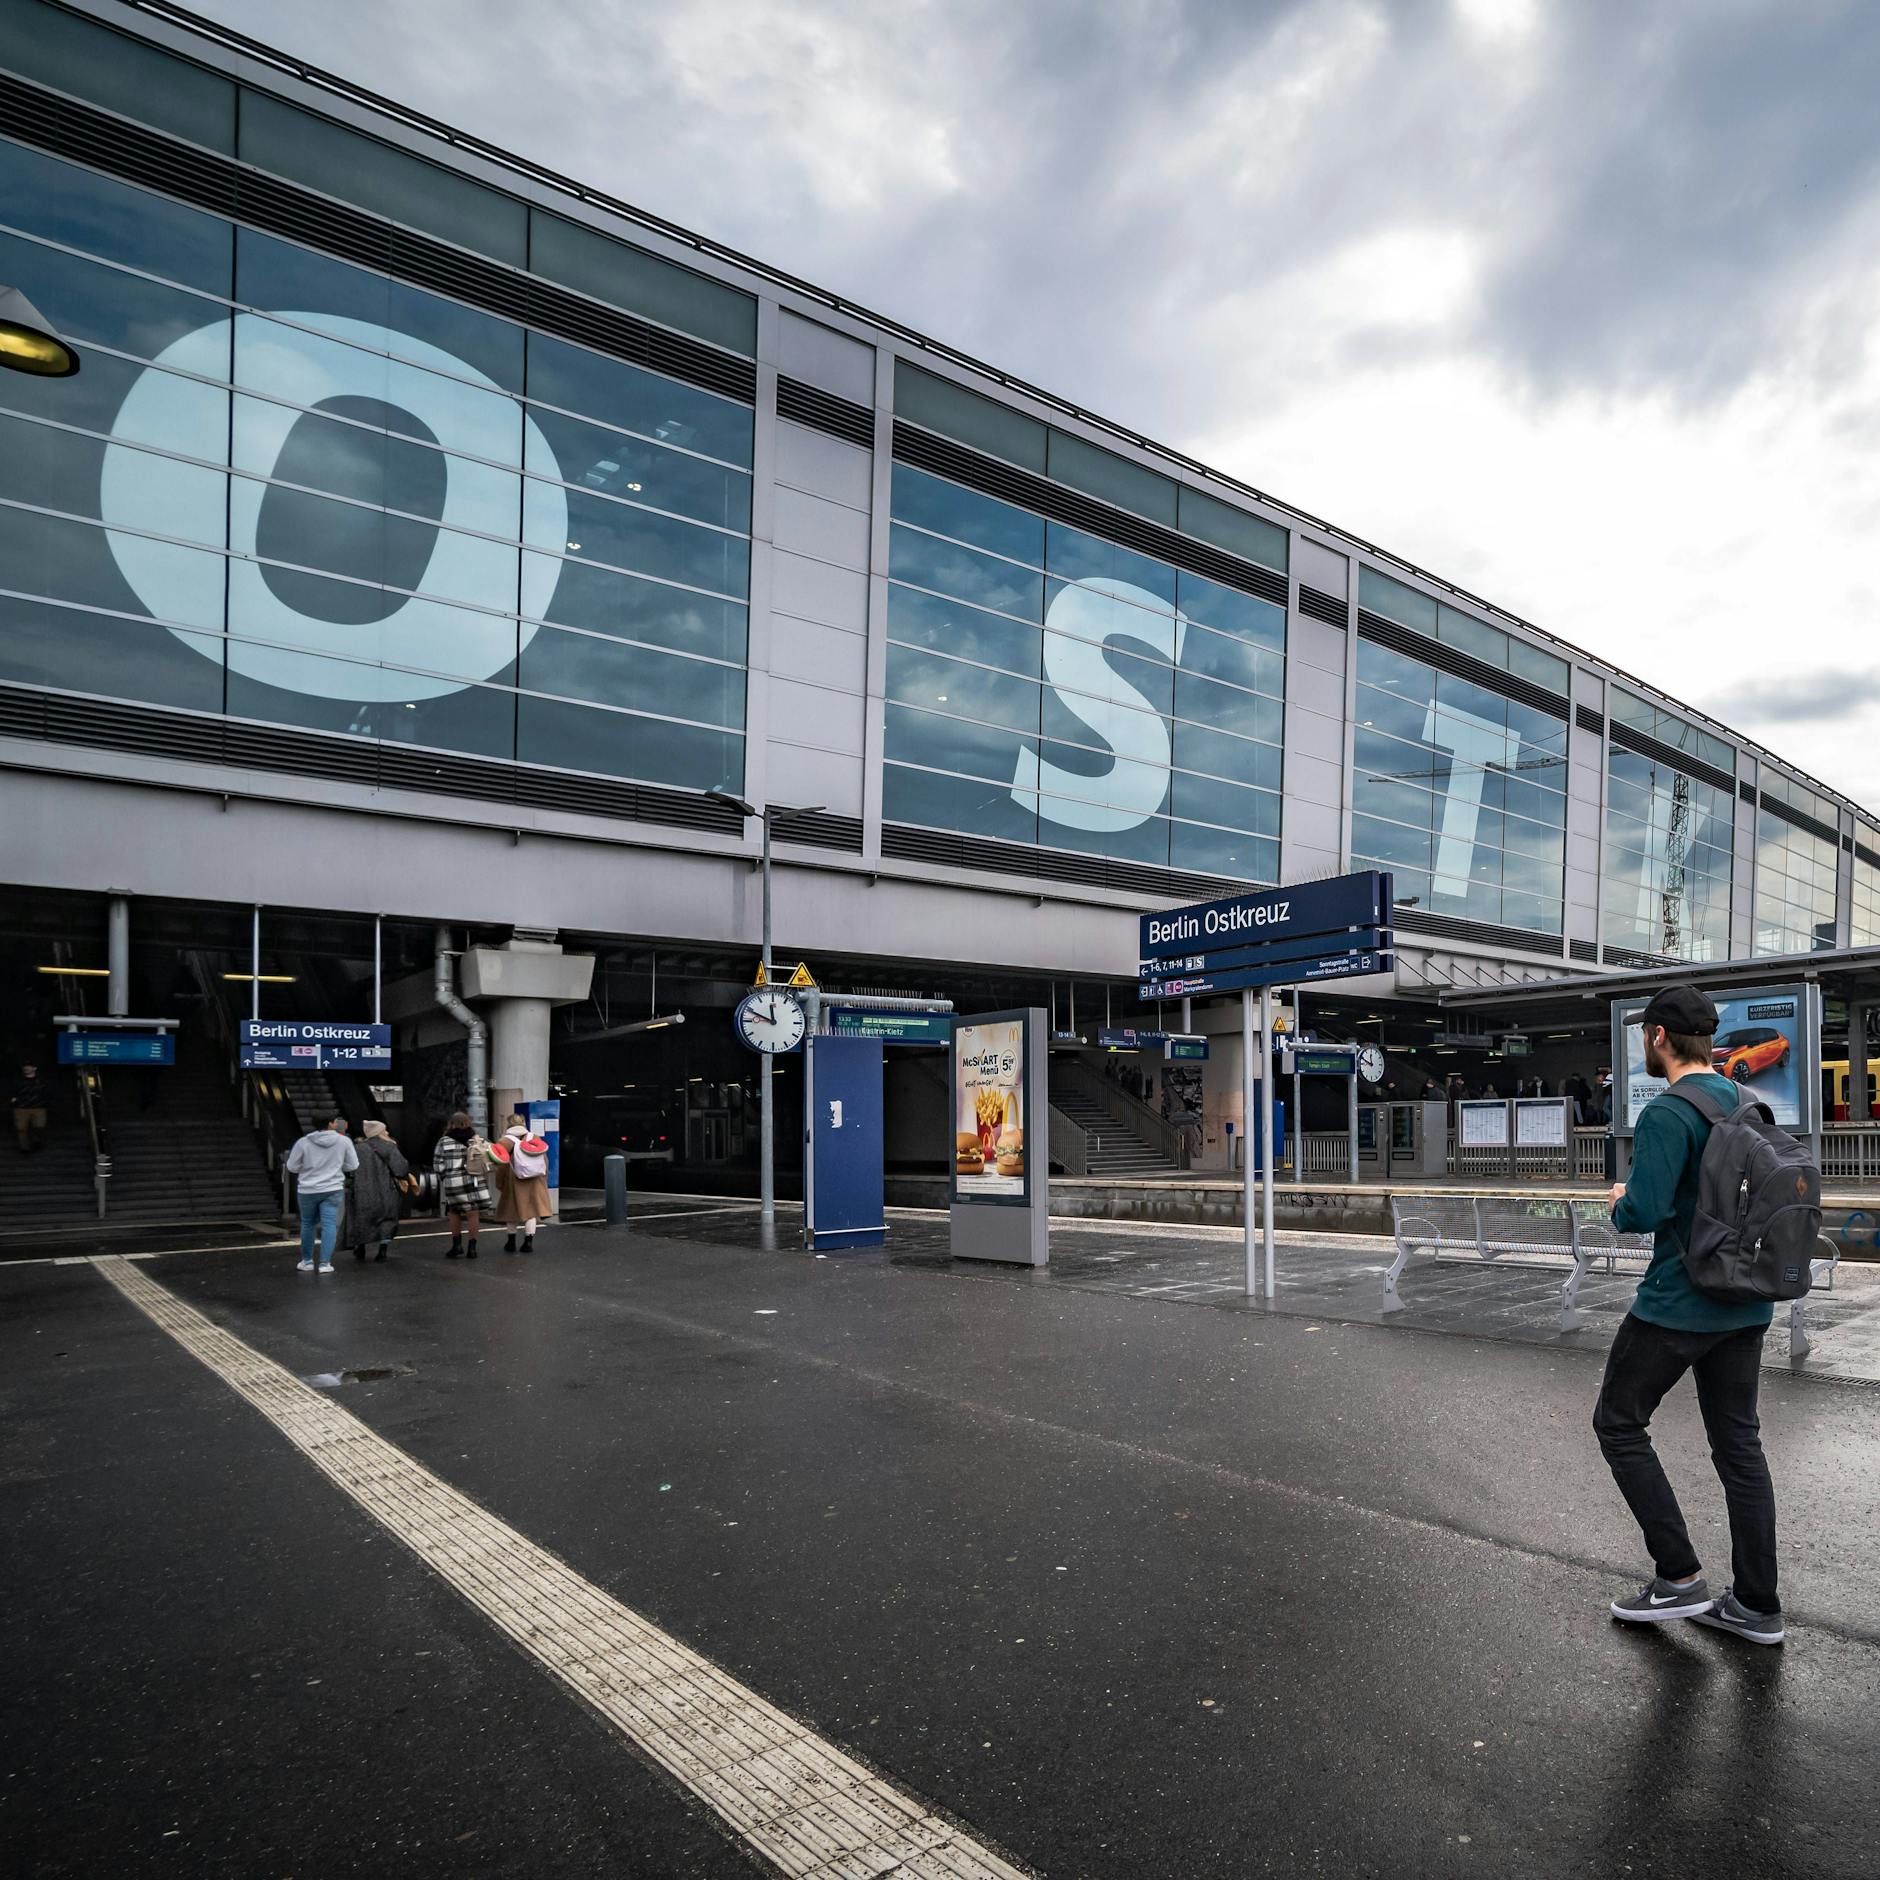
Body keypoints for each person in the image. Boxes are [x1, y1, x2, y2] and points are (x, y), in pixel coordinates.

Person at [1594, 985, 1783, 1646]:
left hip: (1680, 1302)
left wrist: (1619, 1200)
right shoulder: (1748, 1100)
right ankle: (1757, 1605)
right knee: (1739, 1445)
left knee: (1618, 1422)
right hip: (1747, 1299)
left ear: (1657, 1038)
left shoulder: (1668, 1113)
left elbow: (1643, 1212)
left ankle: (1677, 1575)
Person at [285, 1114, 358, 1274]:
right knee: (329, 1224)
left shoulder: (303, 1142)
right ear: (331, 1123)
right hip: (333, 1188)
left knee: (307, 1224)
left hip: (307, 1189)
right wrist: (338, 1166)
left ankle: (307, 1261)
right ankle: (325, 1263)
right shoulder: (344, 1141)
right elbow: (352, 1165)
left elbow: (291, 1167)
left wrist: (307, 1169)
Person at [344, 1119, 409, 1263]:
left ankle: (360, 1248)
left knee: (361, 1219)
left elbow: (349, 1170)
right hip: (385, 1191)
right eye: (384, 1130)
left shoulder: (358, 1148)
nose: (387, 1132)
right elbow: (401, 1168)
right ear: (378, 1132)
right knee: (386, 1220)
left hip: (362, 1192)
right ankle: (382, 1252)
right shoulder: (390, 1147)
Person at [490, 1113, 552, 1254]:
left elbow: (501, 1165)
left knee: (511, 1211)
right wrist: (544, 1178)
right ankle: (528, 1242)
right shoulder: (534, 1137)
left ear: (509, 1124)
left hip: (513, 1180)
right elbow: (545, 1160)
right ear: (523, 1122)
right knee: (531, 1212)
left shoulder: (504, 1141)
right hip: (535, 1180)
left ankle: (511, 1242)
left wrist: (500, 1183)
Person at [433, 1110, 492, 1260]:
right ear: (468, 1123)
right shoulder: (477, 1140)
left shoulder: (444, 1141)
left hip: (454, 1181)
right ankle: (472, 1249)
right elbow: (490, 1156)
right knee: (473, 1213)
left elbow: (438, 1164)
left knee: (454, 1212)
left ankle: (456, 1246)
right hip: (474, 1180)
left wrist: (445, 1177)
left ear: (451, 1124)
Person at [10, 1061, 51, 1155]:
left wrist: (45, 1102)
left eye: (29, 1066)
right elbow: (12, 1092)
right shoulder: (18, 1081)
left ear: (34, 1068)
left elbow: (47, 1092)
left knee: (40, 1126)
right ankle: (25, 1148)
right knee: (21, 1129)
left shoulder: (41, 1081)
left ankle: (37, 1141)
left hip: (38, 1108)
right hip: (21, 1108)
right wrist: (13, 1100)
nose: (26, 1068)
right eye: (25, 1067)